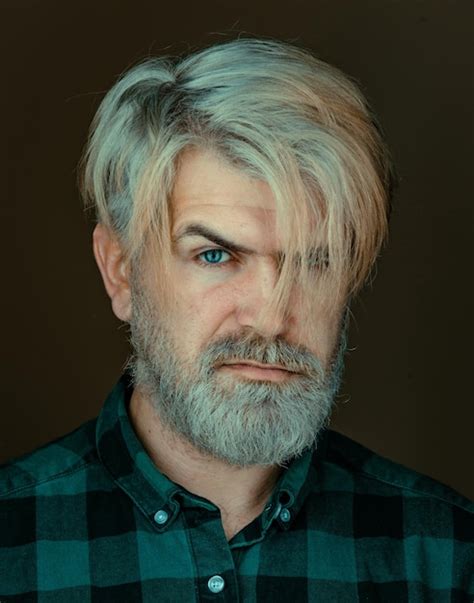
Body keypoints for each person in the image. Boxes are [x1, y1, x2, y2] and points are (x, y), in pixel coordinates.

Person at [0, 38, 472, 602]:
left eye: (313, 261)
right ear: (122, 272)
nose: (272, 317)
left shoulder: (446, 558)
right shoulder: (11, 545)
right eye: (215, 256)